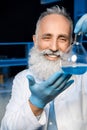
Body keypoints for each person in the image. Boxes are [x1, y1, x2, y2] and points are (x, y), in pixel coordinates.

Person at [1, 5, 87, 130]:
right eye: (47, 37)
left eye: (62, 39)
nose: (53, 48)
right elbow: (7, 127)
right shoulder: (22, 79)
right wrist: (36, 103)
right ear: (35, 41)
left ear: (71, 42)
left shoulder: (83, 77)